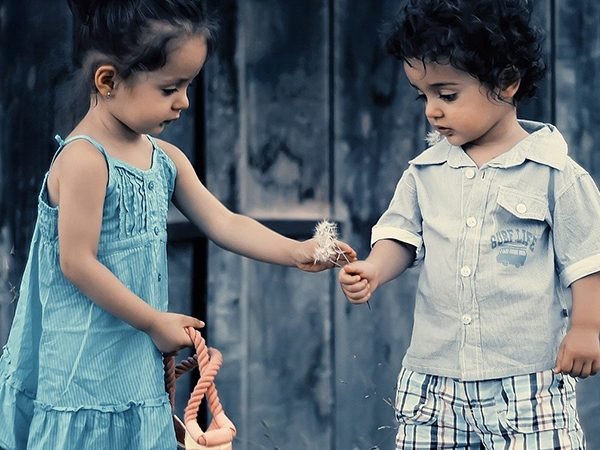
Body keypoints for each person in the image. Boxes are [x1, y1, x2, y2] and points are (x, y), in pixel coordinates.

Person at [0, 1, 356, 449]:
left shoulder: (165, 160)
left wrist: (297, 250)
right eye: (171, 87)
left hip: (133, 368)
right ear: (108, 80)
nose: (184, 102)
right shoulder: (84, 160)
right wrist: (152, 321)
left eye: (187, 85)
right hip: (82, 370)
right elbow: (76, 262)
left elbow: (223, 222)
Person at [339, 0, 600, 448]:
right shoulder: (424, 171)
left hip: (525, 383)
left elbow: (587, 259)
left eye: (447, 94)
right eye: (423, 96)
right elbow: (401, 235)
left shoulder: (556, 174)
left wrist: (587, 327)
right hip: (434, 380)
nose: (431, 111)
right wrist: (374, 269)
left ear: (507, 82)